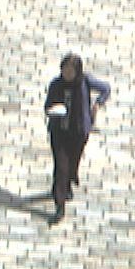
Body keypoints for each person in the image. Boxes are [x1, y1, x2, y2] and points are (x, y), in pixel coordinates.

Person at [43, 53, 111, 224]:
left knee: (72, 163)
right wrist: (54, 109)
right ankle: (59, 205)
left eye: (70, 71)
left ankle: (68, 183)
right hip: (59, 132)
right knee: (61, 167)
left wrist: (98, 103)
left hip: (79, 132)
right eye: (64, 70)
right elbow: (47, 106)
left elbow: (105, 88)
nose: (67, 74)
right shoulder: (56, 84)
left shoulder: (85, 81)